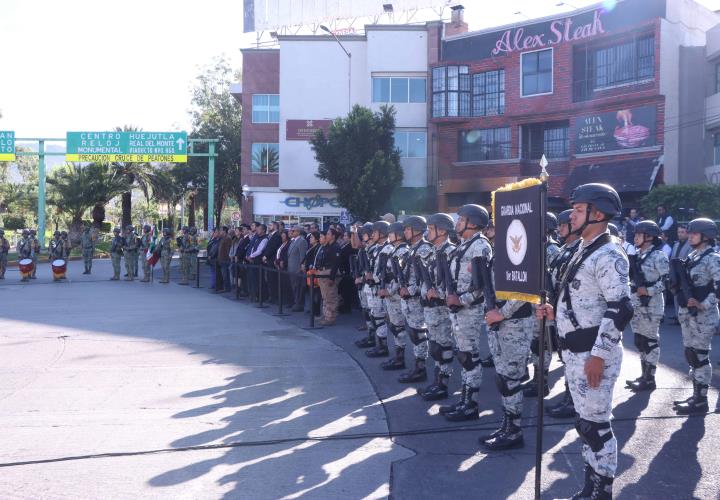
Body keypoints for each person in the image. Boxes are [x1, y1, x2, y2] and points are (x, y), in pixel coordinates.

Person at [536, 183, 631, 499]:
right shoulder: (582, 249)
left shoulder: (608, 253)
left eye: (579, 210)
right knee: (585, 424)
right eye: (574, 210)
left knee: (596, 427)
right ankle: (590, 486)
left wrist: (600, 355)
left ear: (598, 213)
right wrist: (551, 311)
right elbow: (579, 300)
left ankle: (601, 490)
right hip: (576, 353)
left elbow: (620, 308)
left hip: (593, 355)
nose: (573, 215)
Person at [440, 205, 493, 422]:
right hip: (458, 310)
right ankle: (464, 400)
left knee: (469, 357)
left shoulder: (480, 246)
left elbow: (482, 287)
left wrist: (459, 300)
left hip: (469, 310)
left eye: (462, 219)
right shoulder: (463, 246)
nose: (457, 223)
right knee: (463, 355)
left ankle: (470, 405)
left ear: (473, 222)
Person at [672, 218, 720, 415]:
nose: (689, 236)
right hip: (688, 314)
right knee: (691, 355)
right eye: (689, 233)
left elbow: (718, 287)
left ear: (706, 236)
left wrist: (704, 304)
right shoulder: (692, 255)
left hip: (703, 316)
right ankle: (696, 395)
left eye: (694, 233)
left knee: (699, 357)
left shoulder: (713, 258)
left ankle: (701, 400)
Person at [545, 209, 582, 419]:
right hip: (559, 311)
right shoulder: (565, 250)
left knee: (573, 359)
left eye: (563, 225)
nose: (559, 229)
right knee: (566, 356)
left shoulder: (578, 250)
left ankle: (573, 400)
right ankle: (569, 397)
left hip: (572, 313)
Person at [625, 220, 669, 393]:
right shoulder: (637, 254)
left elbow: (668, 280)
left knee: (650, 342)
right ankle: (643, 375)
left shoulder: (658, 256)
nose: (635, 238)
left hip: (652, 306)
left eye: (638, 234)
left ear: (649, 237)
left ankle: (650, 378)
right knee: (640, 341)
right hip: (636, 304)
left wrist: (649, 290)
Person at [417, 213, 457, 401]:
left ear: (441, 230)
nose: (427, 232)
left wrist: (438, 293)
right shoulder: (434, 251)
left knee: (443, 347)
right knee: (434, 346)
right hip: (432, 309)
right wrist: (427, 289)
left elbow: (455, 284)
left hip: (443, 309)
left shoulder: (450, 252)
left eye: (431, 229)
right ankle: (436, 381)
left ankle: (443, 384)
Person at [524, 212, 561, 398]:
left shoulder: (552, 249)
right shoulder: (536, 247)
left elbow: (555, 281)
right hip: (534, 303)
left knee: (543, 343)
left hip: (546, 304)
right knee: (535, 343)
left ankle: (542, 382)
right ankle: (536, 378)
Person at [397, 216, 433, 384]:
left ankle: (420, 369)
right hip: (409, 301)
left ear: (417, 230)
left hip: (417, 301)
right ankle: (418, 366)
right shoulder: (413, 248)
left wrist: (409, 290)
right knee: (413, 333)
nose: (404, 232)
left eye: (407, 229)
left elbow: (428, 280)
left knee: (418, 334)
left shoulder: (424, 249)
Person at [375, 222, 410, 370]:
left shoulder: (402, 252)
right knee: (394, 326)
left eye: (391, 233)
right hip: (391, 294)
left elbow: (400, 277)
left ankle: (400, 359)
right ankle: (397, 356)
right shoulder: (395, 250)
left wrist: (389, 291)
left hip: (395, 295)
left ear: (398, 235)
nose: (389, 236)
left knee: (398, 327)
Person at [316, 228, 341, 326]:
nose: (326, 235)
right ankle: (325, 315)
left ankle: (330, 318)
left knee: (331, 296)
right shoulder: (327, 246)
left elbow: (336, 263)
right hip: (323, 272)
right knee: (325, 296)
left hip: (330, 272)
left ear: (333, 236)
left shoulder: (335, 247)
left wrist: (332, 277)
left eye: (328, 234)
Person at [288, 225, 309, 312]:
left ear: (298, 232)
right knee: (294, 286)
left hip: (297, 269)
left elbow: (302, 256)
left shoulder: (302, 241)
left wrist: (301, 267)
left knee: (298, 287)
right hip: (291, 268)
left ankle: (299, 304)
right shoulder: (293, 241)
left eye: (293, 231)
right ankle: (296, 302)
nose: (291, 232)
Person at [302, 231, 322, 316]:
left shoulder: (317, 247)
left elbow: (314, 260)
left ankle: (315, 311)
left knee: (316, 293)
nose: (310, 239)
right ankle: (310, 309)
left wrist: (308, 266)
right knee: (310, 292)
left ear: (316, 239)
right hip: (307, 271)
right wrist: (302, 264)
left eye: (312, 237)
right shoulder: (311, 247)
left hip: (313, 272)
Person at [247, 224, 268, 301]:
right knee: (254, 280)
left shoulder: (265, 239)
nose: (257, 230)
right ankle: (255, 295)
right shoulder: (257, 238)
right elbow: (253, 248)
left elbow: (259, 250)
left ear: (263, 230)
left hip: (259, 262)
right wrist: (249, 255)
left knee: (260, 280)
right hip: (253, 261)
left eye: (259, 229)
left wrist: (251, 256)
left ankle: (261, 297)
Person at [217, 226, 232, 293]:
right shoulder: (222, 238)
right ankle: (225, 287)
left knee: (225, 274)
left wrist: (228, 258)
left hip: (225, 259)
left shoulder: (227, 238)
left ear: (224, 231)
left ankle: (227, 288)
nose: (220, 232)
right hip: (221, 259)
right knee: (224, 274)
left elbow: (228, 250)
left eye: (221, 230)